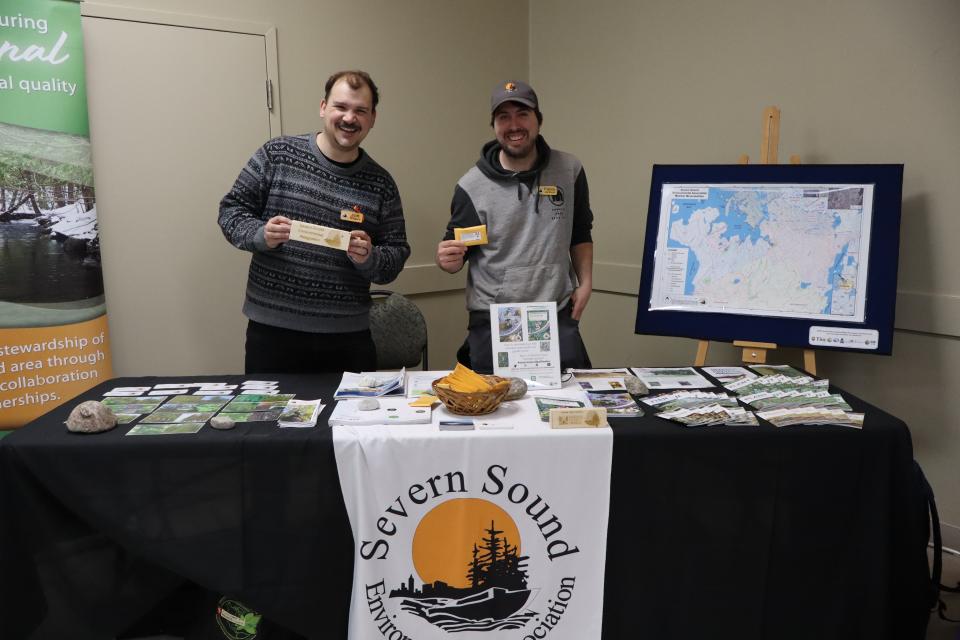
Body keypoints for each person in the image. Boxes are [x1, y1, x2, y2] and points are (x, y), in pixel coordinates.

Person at [219, 70, 409, 374]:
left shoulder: (381, 183)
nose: (350, 118)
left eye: (360, 110)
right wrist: (260, 234)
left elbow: (397, 253)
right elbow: (231, 211)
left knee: (348, 422)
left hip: (348, 339)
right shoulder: (277, 154)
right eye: (341, 107)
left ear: (373, 118)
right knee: (269, 421)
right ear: (323, 107)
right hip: (273, 333)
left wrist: (370, 258)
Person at [435, 80, 593, 373]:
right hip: (494, 316)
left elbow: (581, 232)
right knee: (493, 408)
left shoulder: (569, 170)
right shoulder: (471, 186)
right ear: (494, 125)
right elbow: (457, 254)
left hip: (554, 311)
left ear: (538, 120)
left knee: (572, 402)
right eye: (503, 117)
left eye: (522, 114)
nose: (514, 125)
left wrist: (586, 283)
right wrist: (447, 260)